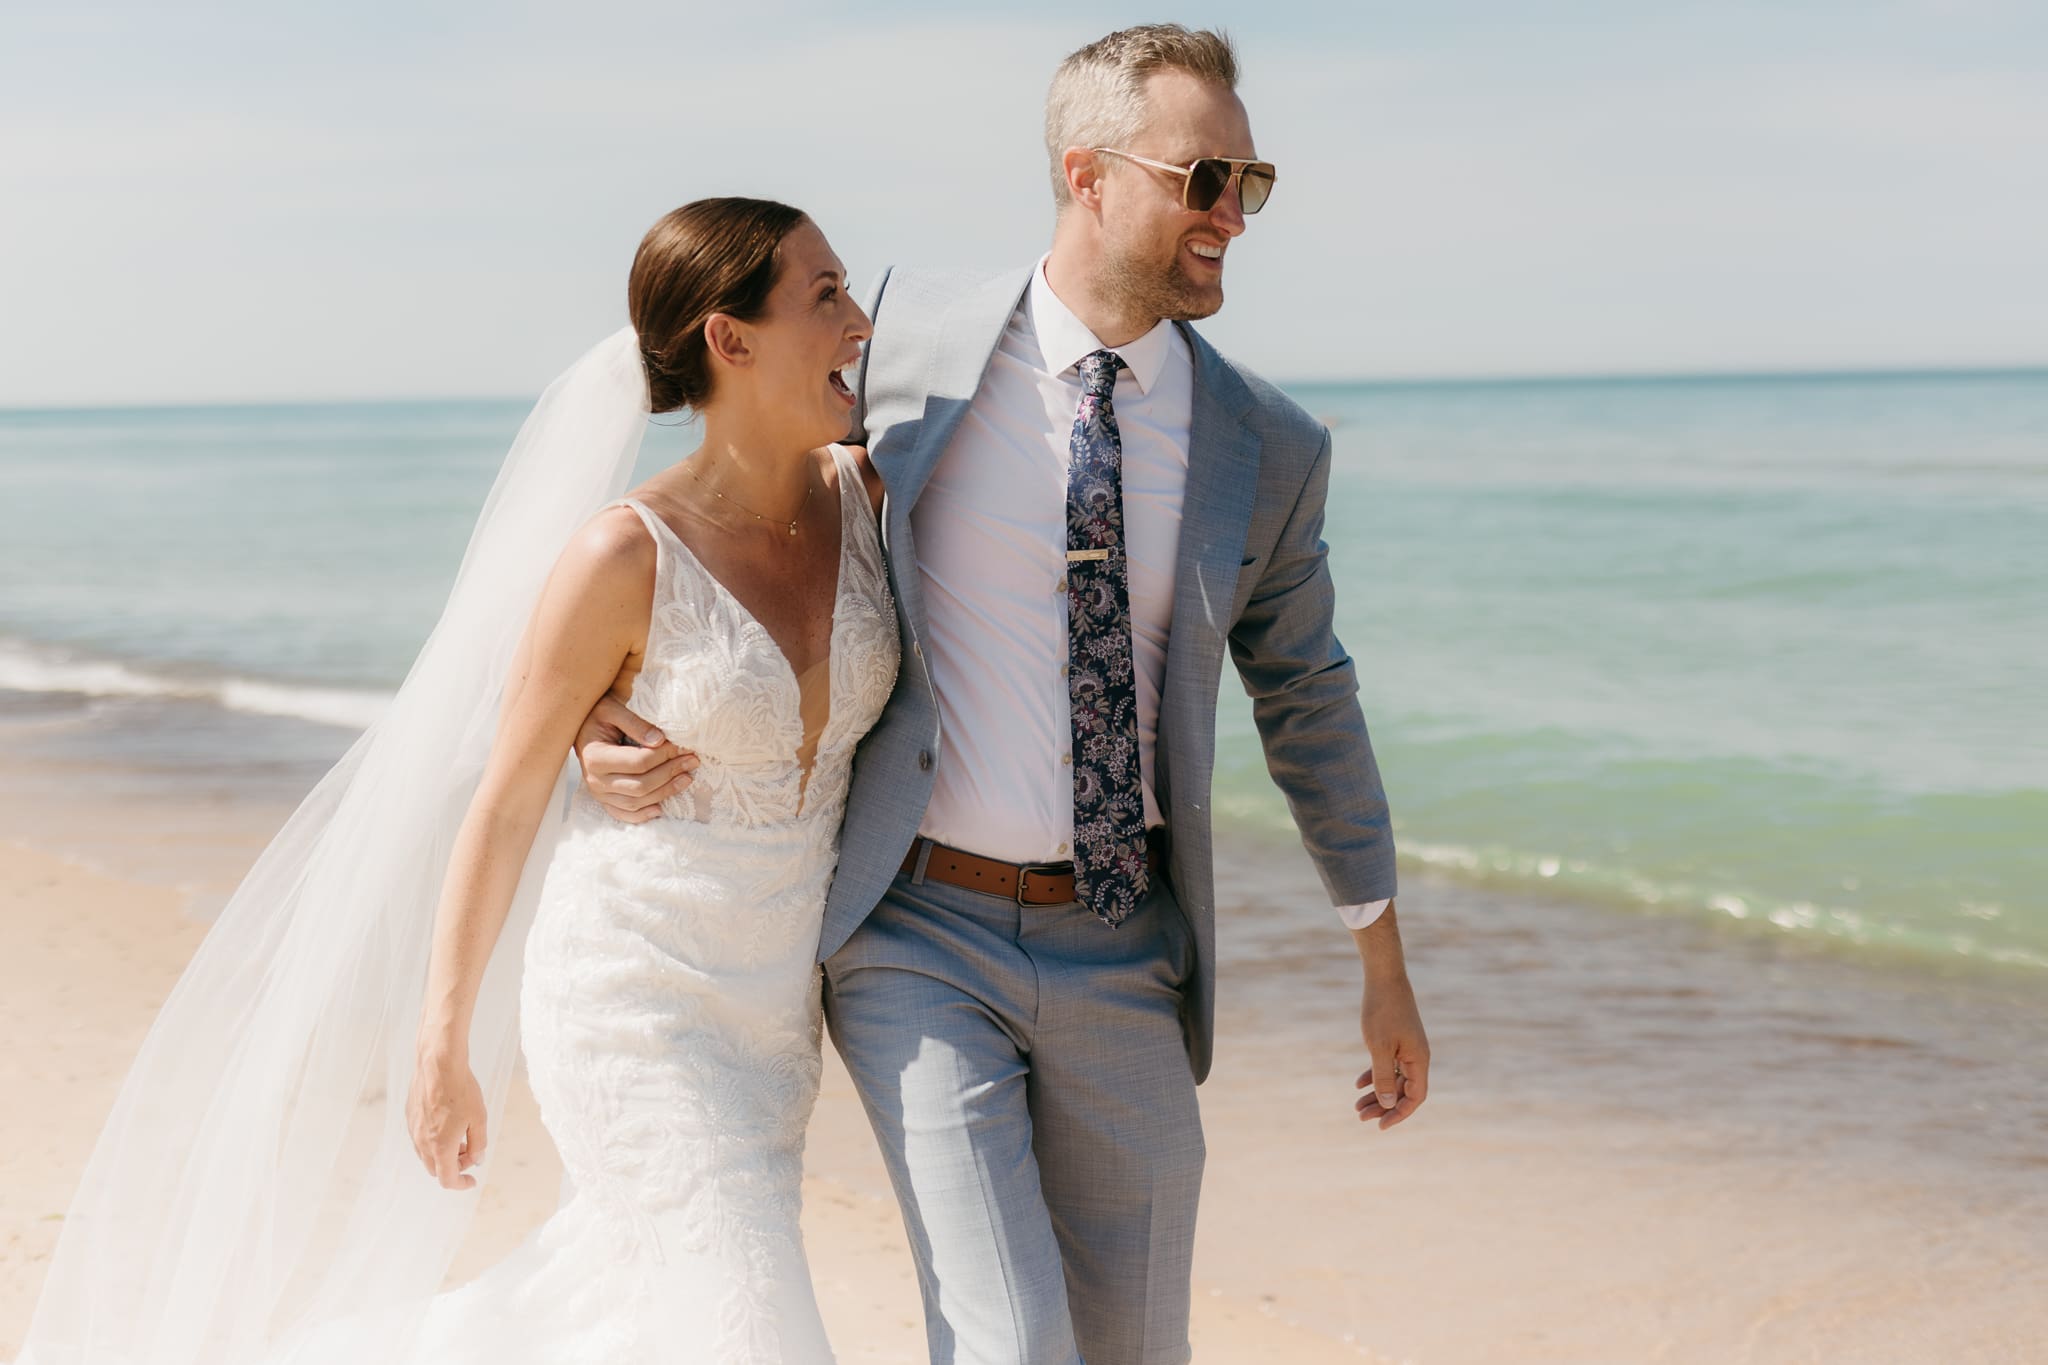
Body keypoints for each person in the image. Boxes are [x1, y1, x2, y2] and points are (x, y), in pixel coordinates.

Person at [576, 25, 1432, 1365]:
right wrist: (599, 704)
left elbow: (1309, 697)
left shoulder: (1269, 447)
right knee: (1010, 1339)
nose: (1233, 218)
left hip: (1126, 944)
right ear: (1089, 175)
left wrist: (1380, 956)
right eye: (1206, 179)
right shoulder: (904, 344)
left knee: (1136, 1342)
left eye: (1251, 186)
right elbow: (728, 503)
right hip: (917, 932)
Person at [17, 198, 894, 1364]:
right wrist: (440, 1046)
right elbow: (506, 796)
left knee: (629, 1309)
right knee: (751, 1331)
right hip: (635, 1008)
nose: (861, 324)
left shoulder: (873, 501)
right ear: (728, 340)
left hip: (774, 1021)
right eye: (824, 296)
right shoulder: (622, 554)